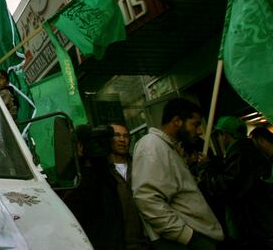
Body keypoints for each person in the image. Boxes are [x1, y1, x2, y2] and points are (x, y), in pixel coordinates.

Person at [131, 98, 223, 249]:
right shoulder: (152, 145)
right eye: (195, 124)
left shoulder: (168, 148)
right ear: (177, 121)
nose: (199, 131)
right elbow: (147, 199)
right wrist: (188, 237)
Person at [200, 116, 273, 248]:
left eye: (220, 135)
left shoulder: (239, 153)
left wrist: (207, 169)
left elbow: (227, 187)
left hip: (253, 228)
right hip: (260, 224)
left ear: (225, 135)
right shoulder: (248, 151)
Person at [109, 123, 151, 250]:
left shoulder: (140, 166)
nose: (122, 140)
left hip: (148, 241)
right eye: (117, 135)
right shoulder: (103, 172)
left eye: (126, 136)